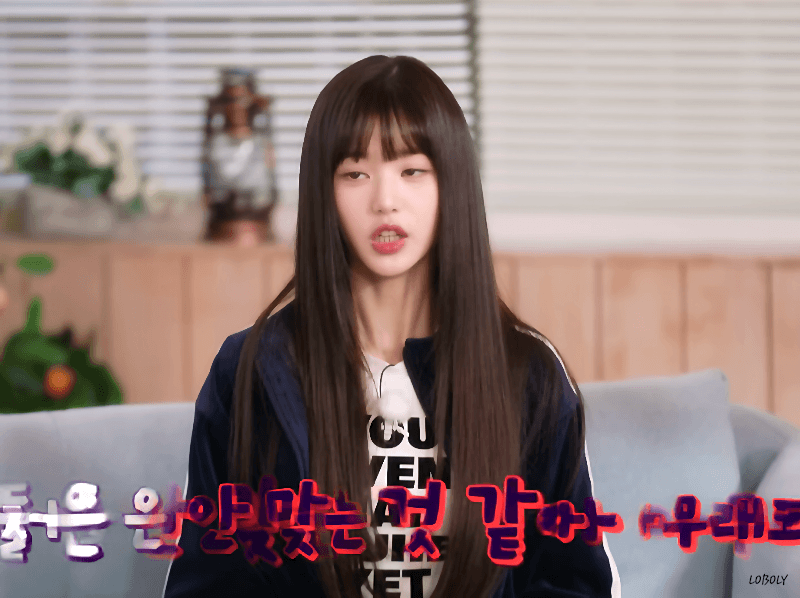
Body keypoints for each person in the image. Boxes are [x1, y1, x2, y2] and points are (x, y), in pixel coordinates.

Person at [163, 55, 620, 598]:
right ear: (323, 193)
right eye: (355, 173)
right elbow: (209, 580)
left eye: (412, 171)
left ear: (451, 186)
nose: (384, 201)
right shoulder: (251, 371)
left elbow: (577, 581)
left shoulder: (527, 375)